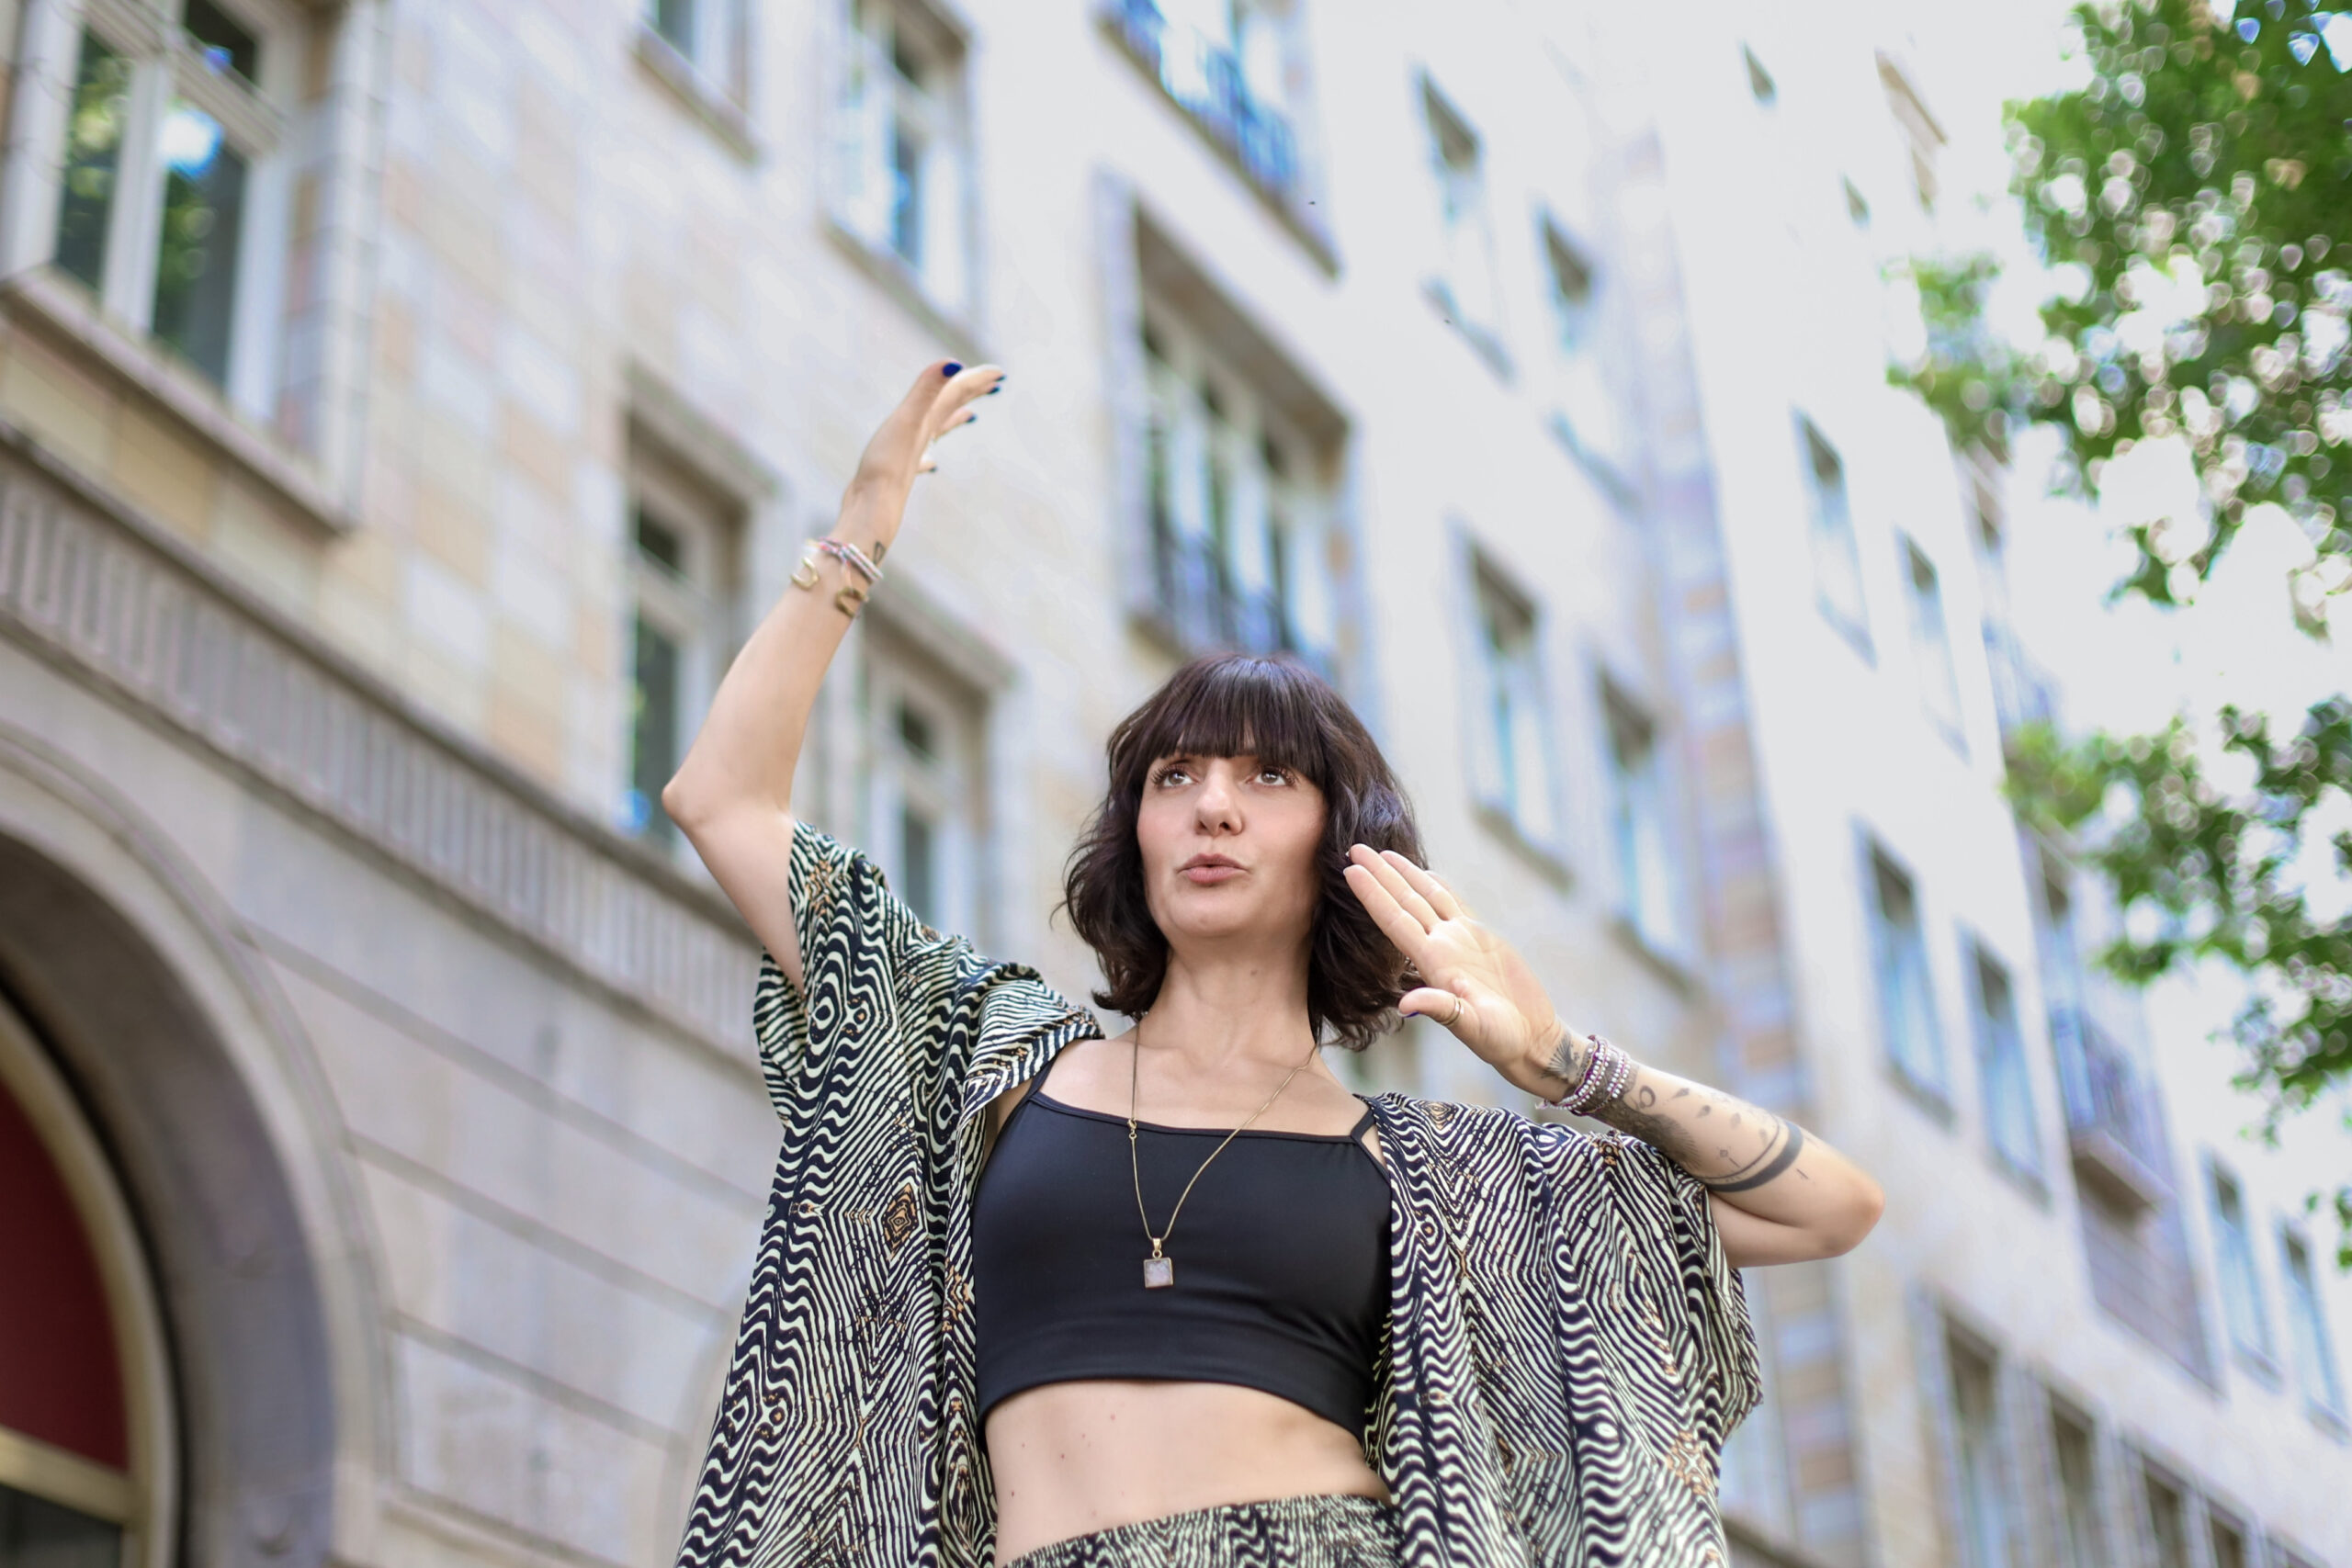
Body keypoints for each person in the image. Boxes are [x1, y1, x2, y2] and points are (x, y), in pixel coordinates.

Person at [662, 363, 1884, 1568]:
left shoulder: (1444, 1180)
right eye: (1174, 778)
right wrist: (857, 537)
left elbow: (1831, 1205)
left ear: (1337, 839)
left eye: (1267, 779)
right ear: (1132, 833)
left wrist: (1558, 1060)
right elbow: (721, 802)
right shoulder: (987, 1056)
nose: (1213, 811)